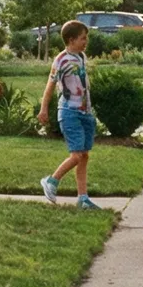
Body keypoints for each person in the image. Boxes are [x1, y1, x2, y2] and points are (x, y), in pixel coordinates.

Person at [38, 20, 99, 209]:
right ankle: (51, 181)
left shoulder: (81, 56)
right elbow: (50, 86)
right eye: (82, 38)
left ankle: (83, 198)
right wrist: (44, 109)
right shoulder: (61, 60)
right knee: (76, 155)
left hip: (85, 113)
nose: (85, 41)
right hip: (69, 112)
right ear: (71, 40)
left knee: (84, 155)